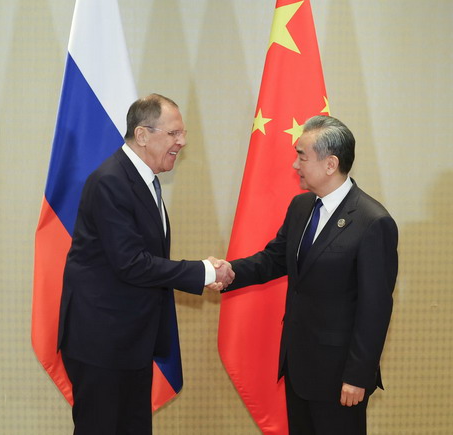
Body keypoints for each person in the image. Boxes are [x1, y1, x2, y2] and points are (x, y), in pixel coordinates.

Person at [57, 94, 234, 434]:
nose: (182, 142)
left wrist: (203, 270)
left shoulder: (143, 179)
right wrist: (206, 271)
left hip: (130, 341)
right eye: (173, 134)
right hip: (102, 344)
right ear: (142, 135)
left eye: (182, 134)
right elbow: (132, 264)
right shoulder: (111, 181)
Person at [218, 115, 398, 434]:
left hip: (340, 376)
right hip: (299, 367)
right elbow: (272, 260)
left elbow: (375, 309)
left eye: (301, 155)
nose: (294, 164)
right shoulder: (301, 207)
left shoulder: (373, 222)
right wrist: (227, 272)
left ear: (330, 164)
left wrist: (358, 376)